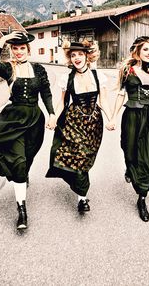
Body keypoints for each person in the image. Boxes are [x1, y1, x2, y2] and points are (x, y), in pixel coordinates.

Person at [0, 31, 56, 230]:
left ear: (28, 50)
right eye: (15, 49)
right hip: (12, 120)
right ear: (11, 50)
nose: (19, 52)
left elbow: (45, 92)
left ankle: (23, 174)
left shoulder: (38, 69)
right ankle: (21, 210)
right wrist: (2, 41)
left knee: (27, 158)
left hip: (35, 121)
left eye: (22, 48)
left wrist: (52, 113)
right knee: (19, 164)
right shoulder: (8, 68)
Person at [46, 39, 112, 213]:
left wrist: (110, 118)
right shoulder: (66, 78)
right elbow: (61, 102)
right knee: (79, 156)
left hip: (94, 123)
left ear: (87, 56)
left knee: (86, 158)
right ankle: (82, 198)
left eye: (80, 54)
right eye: (73, 55)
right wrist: (53, 117)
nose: (76, 58)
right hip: (73, 121)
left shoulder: (99, 76)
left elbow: (103, 100)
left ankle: (79, 189)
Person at [106, 36, 149, 222]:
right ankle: (129, 169)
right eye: (146, 49)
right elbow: (120, 95)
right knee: (129, 150)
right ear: (138, 51)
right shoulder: (128, 71)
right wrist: (113, 117)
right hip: (132, 116)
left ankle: (142, 197)